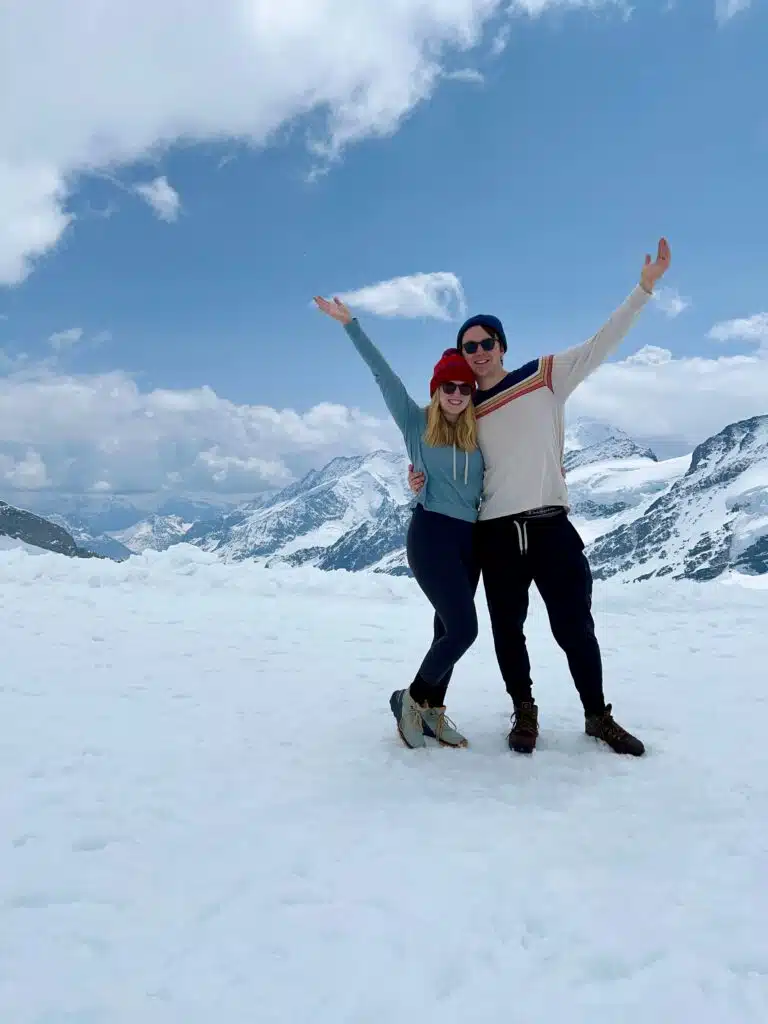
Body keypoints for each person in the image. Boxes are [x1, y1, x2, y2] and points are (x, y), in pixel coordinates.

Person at [408, 238, 672, 756]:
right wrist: (415, 477)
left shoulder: (545, 376)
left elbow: (602, 342)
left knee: (575, 625)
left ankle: (598, 715)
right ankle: (523, 711)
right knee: (509, 630)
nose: (479, 353)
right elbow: (435, 456)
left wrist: (643, 289)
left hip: (551, 526)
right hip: (496, 533)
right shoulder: (463, 409)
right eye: (470, 347)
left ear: (502, 346)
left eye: (487, 343)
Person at [314, 295, 485, 750]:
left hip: (473, 542)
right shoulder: (415, 423)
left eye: (464, 388)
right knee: (465, 630)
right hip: (431, 535)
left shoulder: (479, 431)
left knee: (445, 629)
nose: (455, 394)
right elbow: (382, 375)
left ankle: (433, 711)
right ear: (435, 390)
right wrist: (351, 324)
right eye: (447, 386)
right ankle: (408, 697)